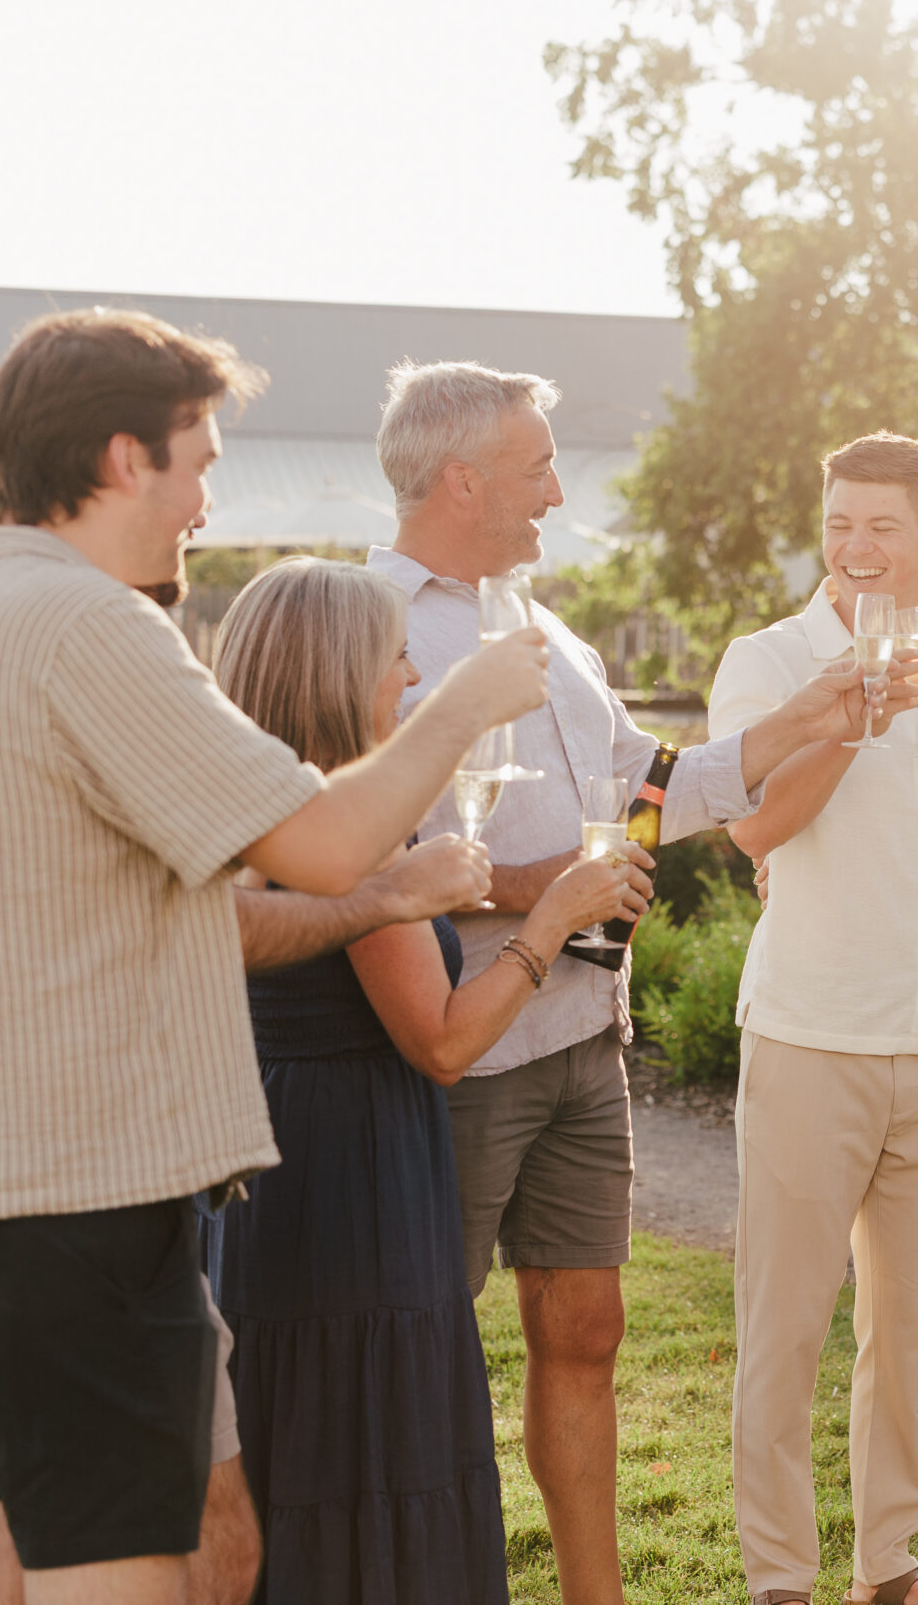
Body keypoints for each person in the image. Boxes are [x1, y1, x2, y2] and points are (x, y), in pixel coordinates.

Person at [0, 308, 548, 1605]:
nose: (206, 503)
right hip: (69, 1201)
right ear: (124, 458)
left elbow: (219, 903)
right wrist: (464, 698)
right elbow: (330, 839)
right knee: (135, 1577)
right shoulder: (88, 628)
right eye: (200, 462)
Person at [207, 558, 637, 1602]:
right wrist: (551, 923)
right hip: (351, 1169)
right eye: (395, 655)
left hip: (282, 1149)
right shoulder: (344, 835)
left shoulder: (255, 805)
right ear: (339, 671)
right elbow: (443, 1044)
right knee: (363, 1436)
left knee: (284, 1429)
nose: (409, 675)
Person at [363, 359, 658, 1605]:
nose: (554, 486)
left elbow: (648, 785)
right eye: (536, 463)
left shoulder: (546, 627)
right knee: (426, 1349)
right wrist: (539, 893)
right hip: (468, 1045)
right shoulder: (359, 623)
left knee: (585, 1332)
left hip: (585, 1032)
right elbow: (352, 845)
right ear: (464, 475)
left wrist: (804, 725)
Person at [707, 432, 918, 1605]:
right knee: (782, 1330)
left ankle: (890, 1566)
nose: (856, 547)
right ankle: (781, 1576)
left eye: (883, 524)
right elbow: (752, 830)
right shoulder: (767, 658)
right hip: (812, 1034)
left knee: (909, 1338)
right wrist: (853, 720)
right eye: (838, 523)